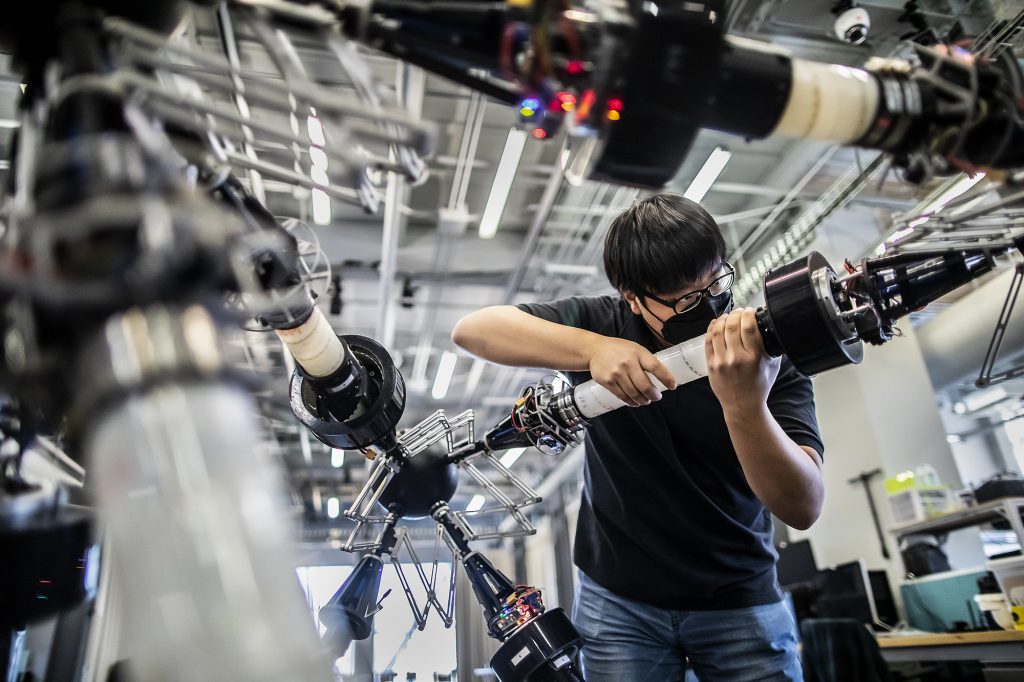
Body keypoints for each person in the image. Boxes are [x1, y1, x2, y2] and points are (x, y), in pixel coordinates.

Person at [451, 193, 824, 681]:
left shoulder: (765, 353)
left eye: (717, 282)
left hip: (739, 597)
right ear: (634, 298)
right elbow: (473, 330)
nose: (708, 303)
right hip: (618, 604)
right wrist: (593, 349)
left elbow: (803, 506)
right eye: (685, 299)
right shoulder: (604, 322)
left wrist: (745, 404)